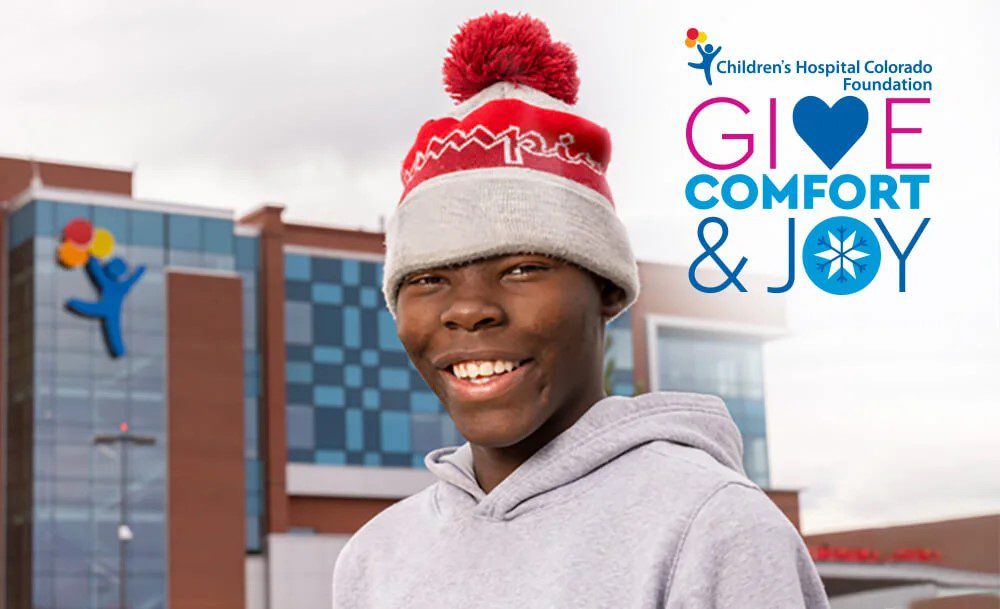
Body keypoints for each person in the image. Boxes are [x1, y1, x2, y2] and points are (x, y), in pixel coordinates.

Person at [331, 12, 829, 609]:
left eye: (521, 269)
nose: (468, 310)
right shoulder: (375, 557)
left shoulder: (713, 527)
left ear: (608, 289)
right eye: (428, 279)